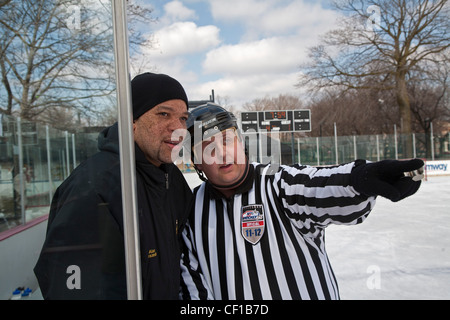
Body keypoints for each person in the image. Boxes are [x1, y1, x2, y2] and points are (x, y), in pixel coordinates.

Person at [179, 102, 424, 300]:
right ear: (197, 162)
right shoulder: (190, 211)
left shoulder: (278, 182)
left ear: (241, 143)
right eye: (207, 147)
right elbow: (193, 287)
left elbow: (318, 185)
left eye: (226, 140)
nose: (222, 153)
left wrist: (360, 179)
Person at [34, 72, 193, 300]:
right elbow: (70, 288)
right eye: (164, 114)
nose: (178, 128)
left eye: (183, 118)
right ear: (132, 120)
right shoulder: (94, 187)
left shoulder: (171, 179)